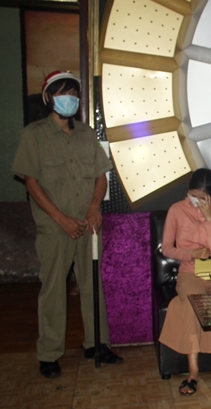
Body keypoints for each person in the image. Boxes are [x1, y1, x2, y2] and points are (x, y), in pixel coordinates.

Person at [11, 70, 122, 378]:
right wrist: (61, 219)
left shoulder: (86, 134)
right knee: (53, 290)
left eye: (73, 94)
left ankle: (96, 344)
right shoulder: (34, 135)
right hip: (54, 227)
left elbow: (101, 176)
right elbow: (31, 183)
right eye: (61, 94)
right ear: (48, 97)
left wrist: (94, 206)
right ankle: (49, 353)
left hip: (88, 225)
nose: (68, 100)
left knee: (92, 284)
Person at [159, 168, 211, 396]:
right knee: (191, 306)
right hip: (189, 274)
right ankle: (193, 372)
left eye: (201, 197)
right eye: (192, 195)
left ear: (210, 196)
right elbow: (166, 248)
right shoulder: (177, 210)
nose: (195, 201)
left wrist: (209, 220)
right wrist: (192, 254)